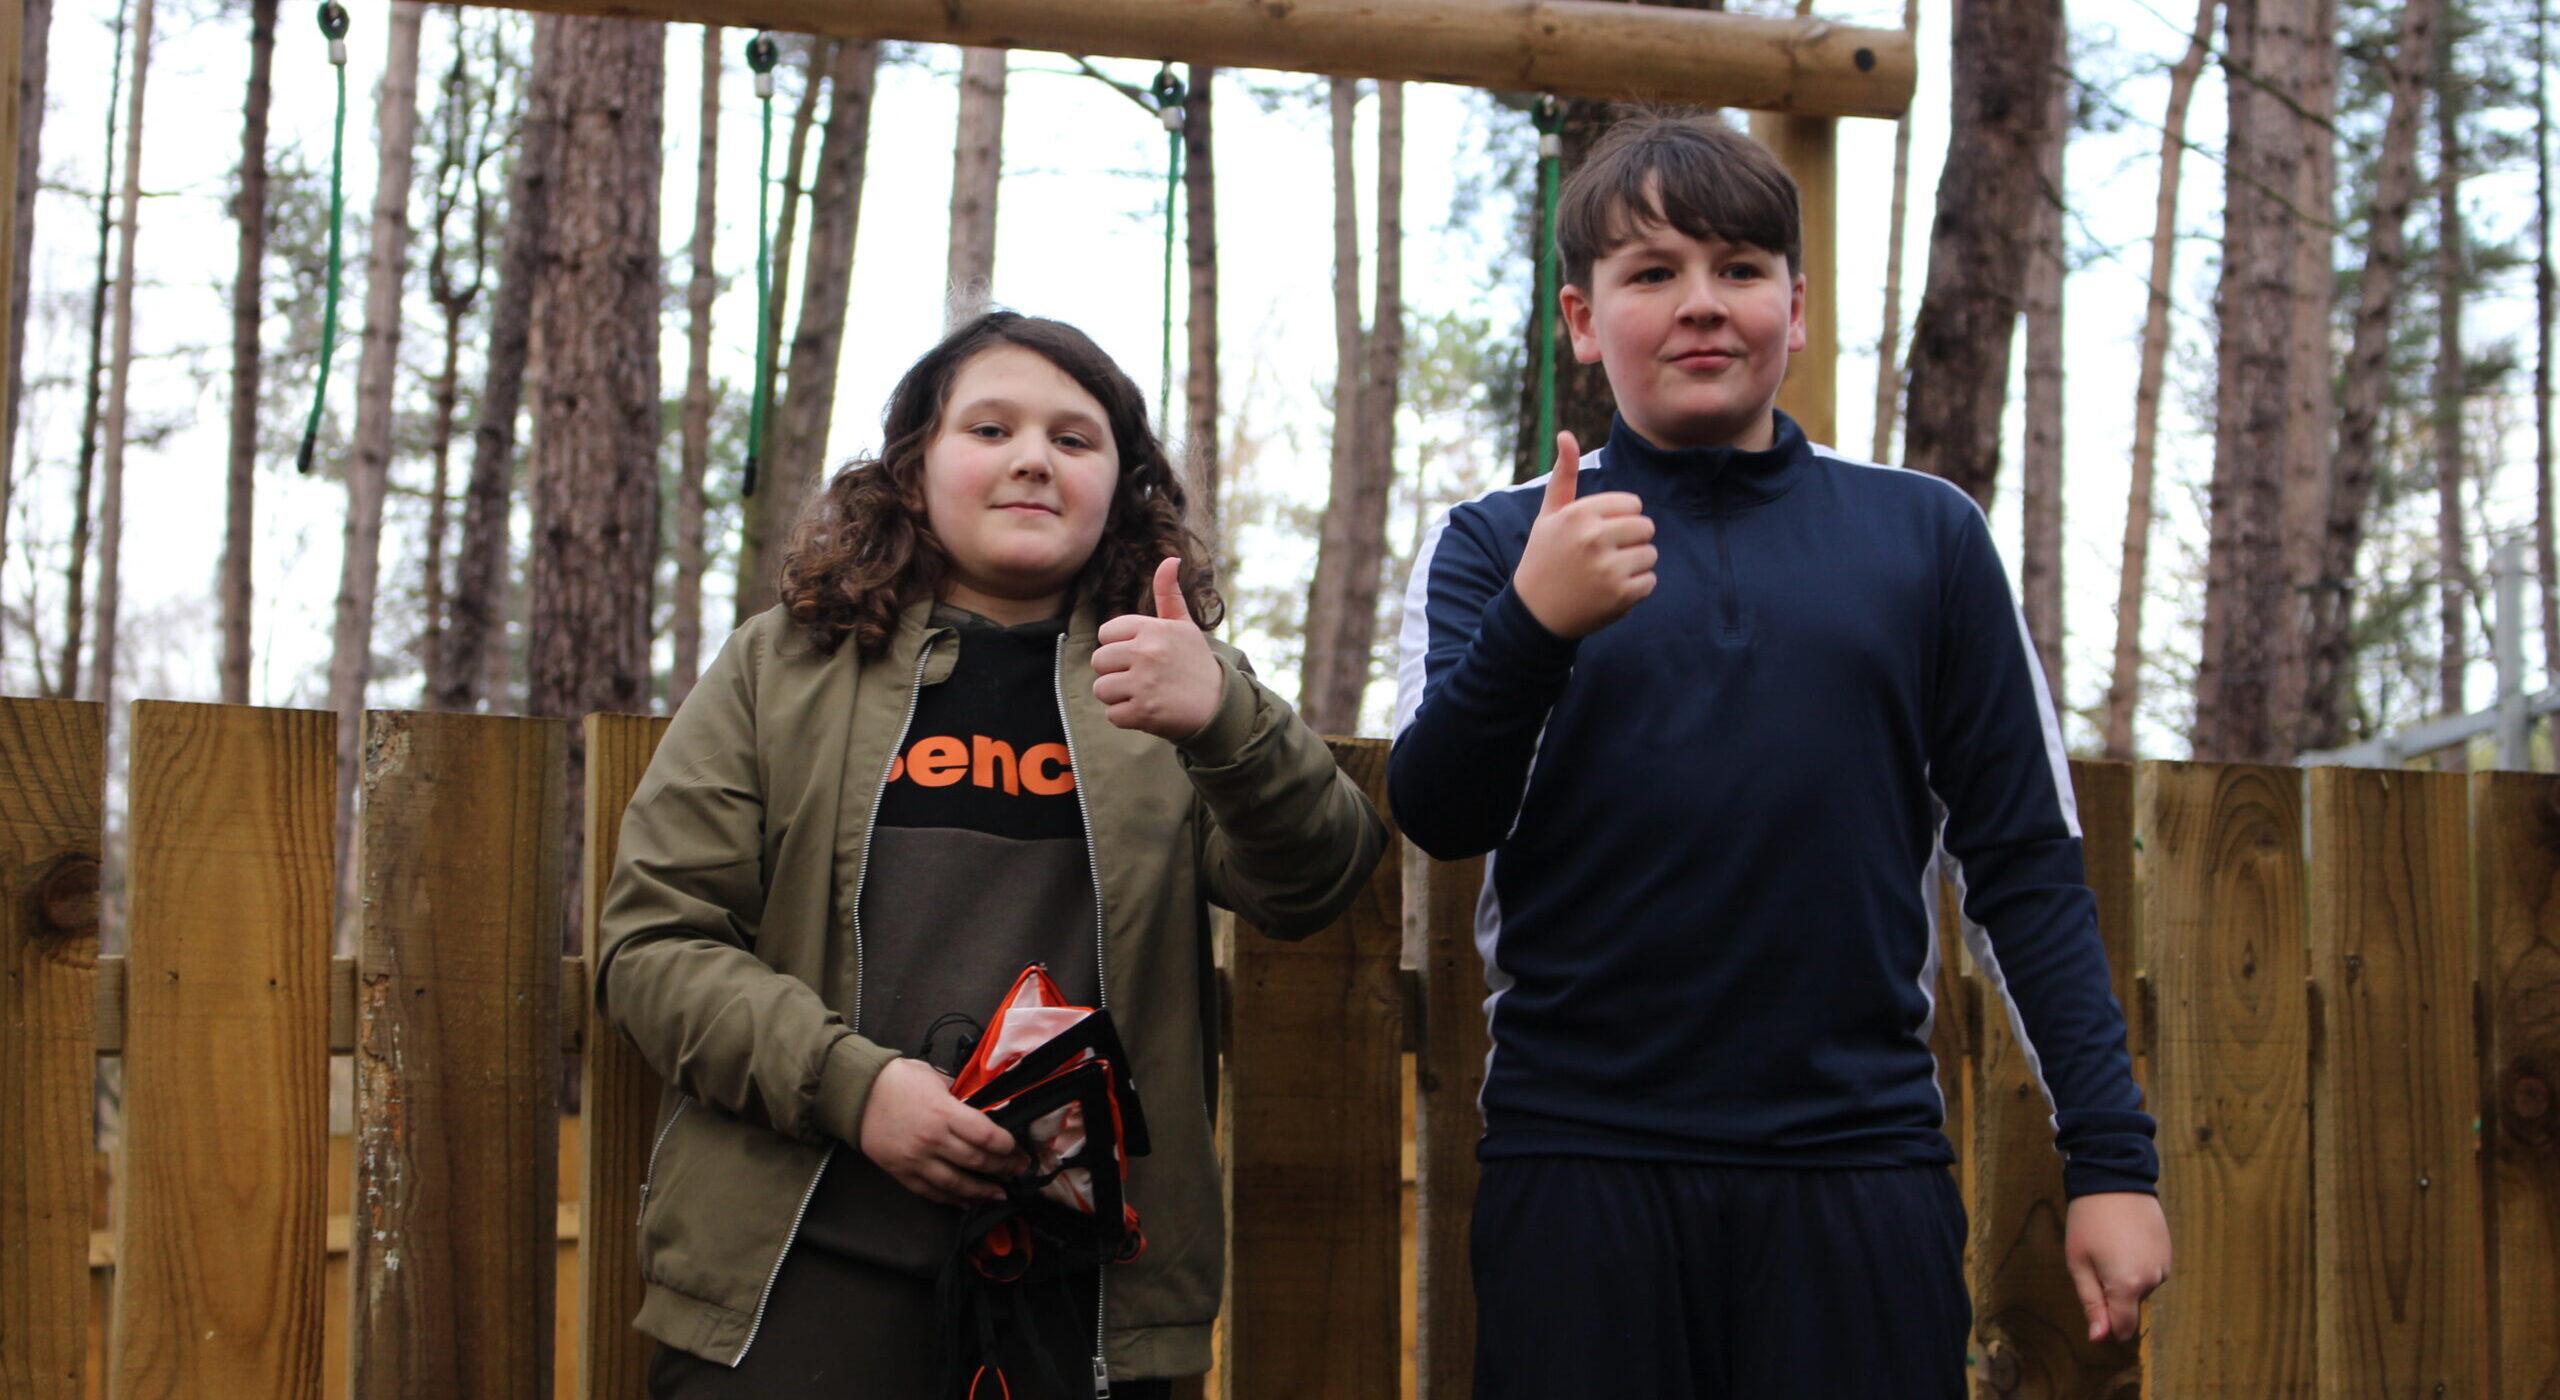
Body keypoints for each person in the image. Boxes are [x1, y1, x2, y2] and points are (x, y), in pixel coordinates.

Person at [1389, 116, 2170, 1399]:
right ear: (1584, 320)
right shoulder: (1496, 540)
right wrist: (1536, 622)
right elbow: (1441, 809)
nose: (1702, 305)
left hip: (1857, 1170)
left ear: (1795, 310)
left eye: (1740, 268)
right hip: (1580, 1169)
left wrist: (2114, 1161)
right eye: (1653, 275)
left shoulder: (1923, 537)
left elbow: (2023, 869)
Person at [598, 311, 1386, 1399]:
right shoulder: (780, 668)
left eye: (1074, 437)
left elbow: (1316, 880)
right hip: (796, 1267)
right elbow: (653, 943)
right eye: (991, 426)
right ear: (913, 471)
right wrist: (857, 1088)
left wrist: (1224, 718)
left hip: (1086, 1286)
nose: (1031, 457)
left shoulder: (1176, 681)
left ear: (1120, 483)